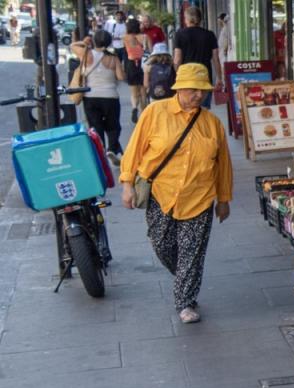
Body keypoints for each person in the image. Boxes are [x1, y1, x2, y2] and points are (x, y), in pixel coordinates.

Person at [119, 63, 232, 323]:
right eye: (193, 90)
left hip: (199, 196)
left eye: (202, 91)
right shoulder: (155, 112)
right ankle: (185, 276)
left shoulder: (212, 124)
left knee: (192, 251)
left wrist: (223, 200)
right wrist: (127, 185)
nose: (198, 96)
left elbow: (223, 165)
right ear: (179, 88)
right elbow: (134, 149)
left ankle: (185, 302)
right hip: (161, 192)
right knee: (162, 245)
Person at [71, 30, 124, 165]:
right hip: (110, 96)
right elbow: (121, 77)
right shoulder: (113, 58)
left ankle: (100, 152)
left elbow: (72, 46)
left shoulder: (86, 54)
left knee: (95, 126)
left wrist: (84, 42)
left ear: (94, 41)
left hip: (90, 96)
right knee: (113, 126)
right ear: (109, 42)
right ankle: (112, 148)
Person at [172, 7, 220, 108]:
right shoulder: (209, 35)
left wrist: (177, 75)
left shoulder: (180, 34)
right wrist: (219, 77)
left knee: (187, 108)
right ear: (200, 19)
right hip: (204, 77)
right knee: (203, 111)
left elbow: (177, 59)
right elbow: (216, 58)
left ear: (186, 19)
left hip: (186, 79)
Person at [122, 18, 148, 122]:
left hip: (130, 65)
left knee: (134, 92)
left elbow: (124, 51)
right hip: (143, 65)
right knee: (143, 92)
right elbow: (149, 51)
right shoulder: (144, 37)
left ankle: (134, 108)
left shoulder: (125, 38)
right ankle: (143, 114)